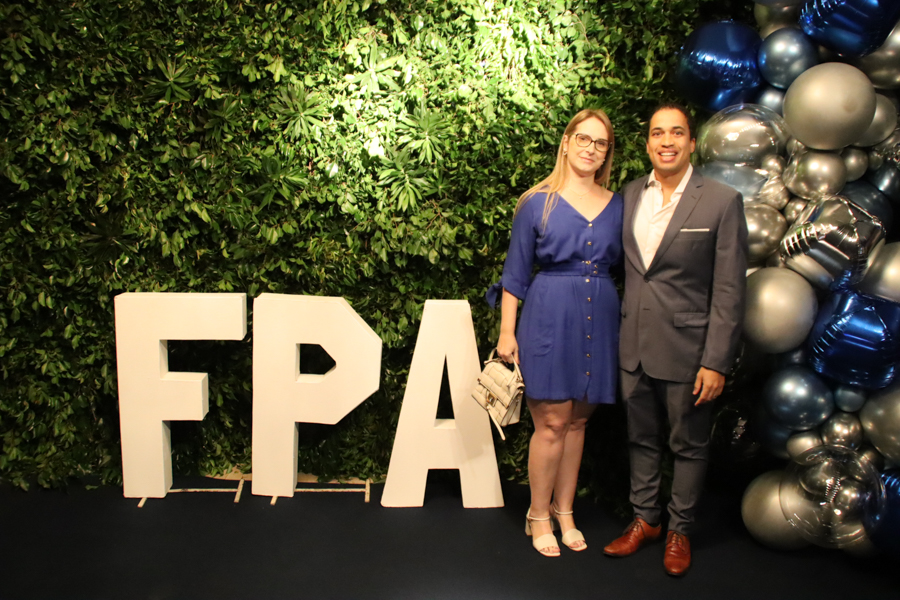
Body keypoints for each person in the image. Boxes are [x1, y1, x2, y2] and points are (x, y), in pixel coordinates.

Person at [602, 103, 748, 576]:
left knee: (689, 445)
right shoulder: (629, 195)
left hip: (690, 351)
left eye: (677, 133)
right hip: (633, 347)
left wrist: (717, 361)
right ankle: (646, 520)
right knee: (640, 440)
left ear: (691, 143)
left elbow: (729, 290)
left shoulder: (722, 201)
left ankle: (680, 529)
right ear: (647, 143)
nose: (667, 141)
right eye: (657, 133)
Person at [490, 109, 623, 557]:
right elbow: (514, 274)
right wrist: (507, 333)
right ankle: (538, 514)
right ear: (566, 142)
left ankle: (565, 511)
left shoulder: (619, 204)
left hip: (599, 317)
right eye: (583, 138)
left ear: (606, 153)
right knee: (550, 423)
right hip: (548, 314)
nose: (590, 148)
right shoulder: (537, 202)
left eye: (600, 143)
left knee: (578, 422)